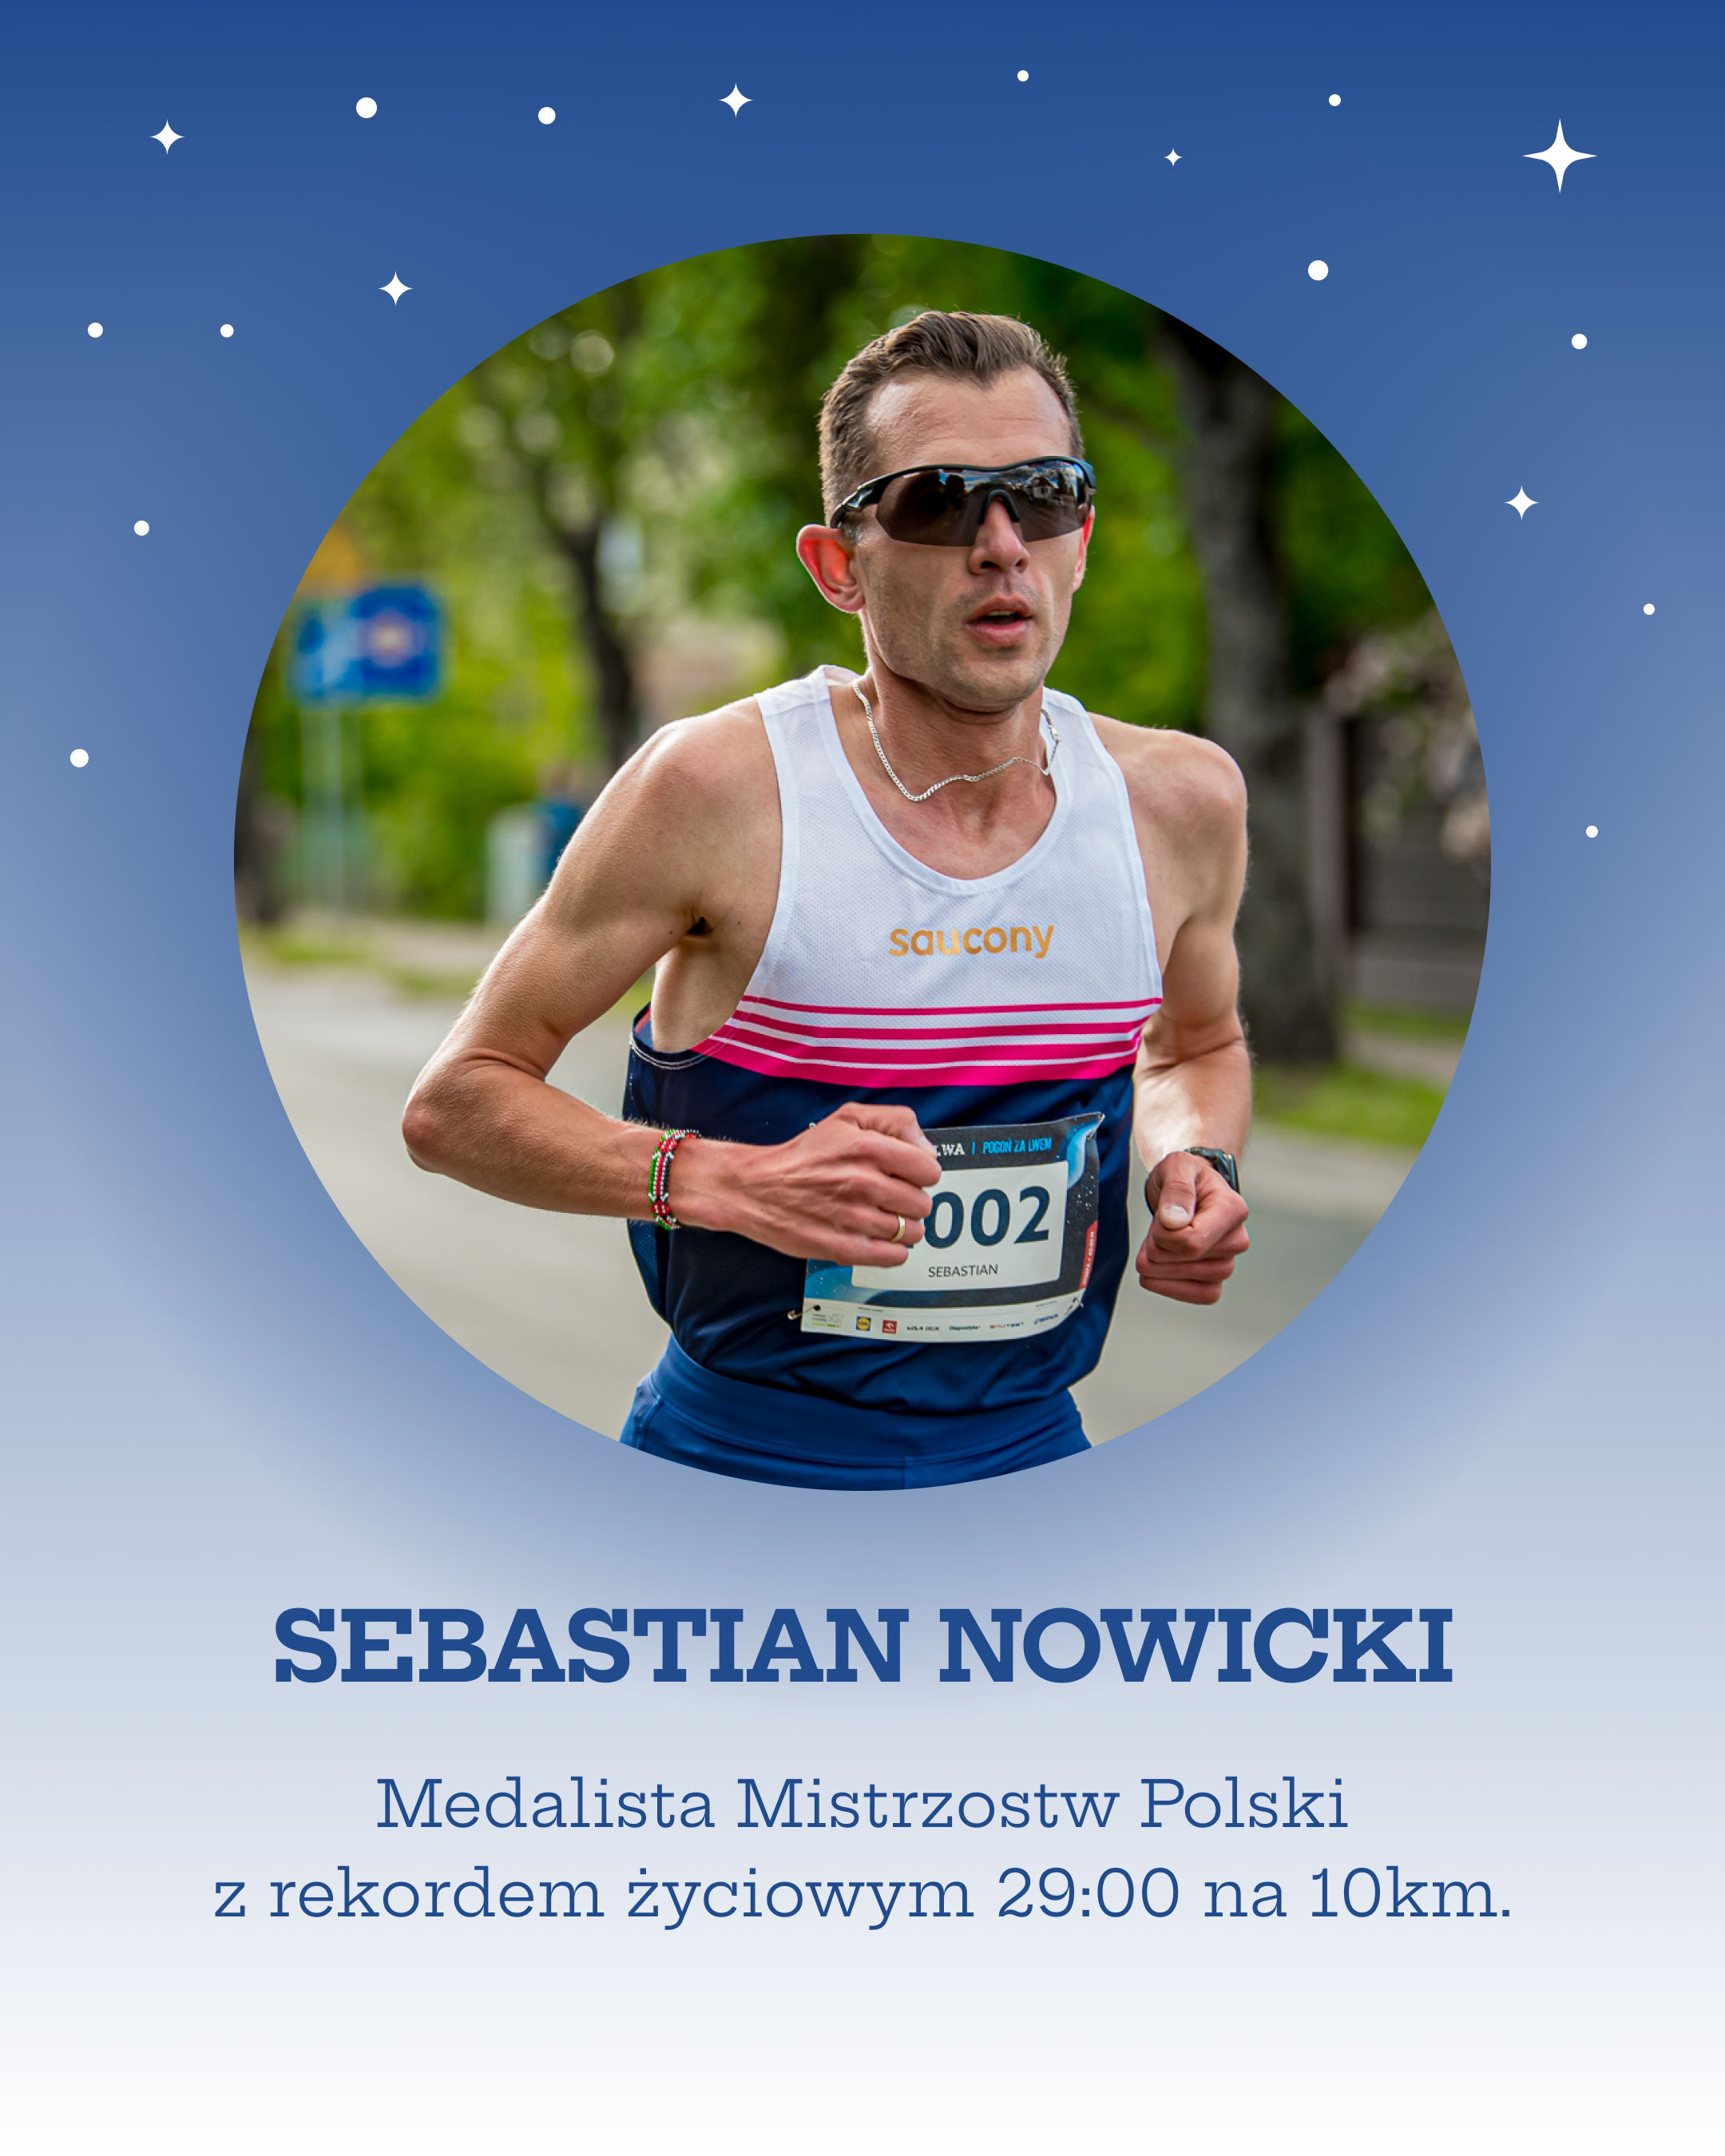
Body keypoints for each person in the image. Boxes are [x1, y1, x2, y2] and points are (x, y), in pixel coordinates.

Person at [403, 311, 1251, 1490]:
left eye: (1042, 495)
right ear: (838, 565)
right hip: (741, 1460)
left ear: (1082, 537)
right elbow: (455, 1105)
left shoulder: (1182, 801)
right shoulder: (716, 790)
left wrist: (1194, 1159)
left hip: (1033, 1453)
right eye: (939, 502)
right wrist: (728, 1181)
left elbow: (1194, 1048)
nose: (1001, 545)